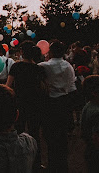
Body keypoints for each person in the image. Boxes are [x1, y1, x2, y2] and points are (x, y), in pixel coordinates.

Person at [6, 41, 47, 170]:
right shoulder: (39, 68)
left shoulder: (16, 67)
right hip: (35, 103)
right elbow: (44, 88)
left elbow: (8, 86)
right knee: (34, 134)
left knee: (18, 133)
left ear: (22, 52)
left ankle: (18, 162)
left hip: (19, 103)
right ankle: (36, 163)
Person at [38, 40, 76, 172]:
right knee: (62, 136)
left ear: (51, 51)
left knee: (50, 136)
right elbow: (72, 87)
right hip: (64, 102)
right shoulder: (69, 67)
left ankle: (52, 164)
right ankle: (62, 165)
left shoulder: (44, 66)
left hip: (50, 104)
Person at [81, 75, 99, 172]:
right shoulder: (96, 112)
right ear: (95, 93)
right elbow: (97, 138)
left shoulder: (88, 106)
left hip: (90, 150)